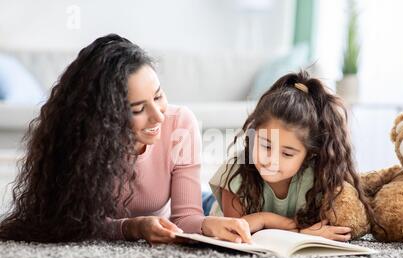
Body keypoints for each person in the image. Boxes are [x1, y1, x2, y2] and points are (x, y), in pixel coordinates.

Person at [0, 34, 252, 244]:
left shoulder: (181, 124)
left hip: (193, 199)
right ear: (104, 116)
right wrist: (131, 227)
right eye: (138, 109)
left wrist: (208, 225)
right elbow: (68, 223)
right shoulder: (81, 144)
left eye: (158, 96)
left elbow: (185, 219)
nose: (157, 116)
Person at [209, 70, 371, 241]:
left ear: (308, 155)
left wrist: (263, 222)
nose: (271, 160)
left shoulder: (317, 177)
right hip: (212, 207)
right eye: (265, 145)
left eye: (287, 153)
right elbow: (236, 230)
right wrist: (267, 219)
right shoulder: (236, 170)